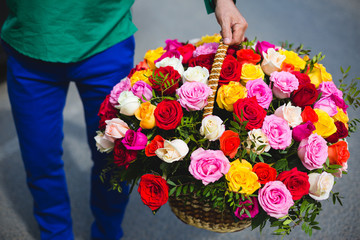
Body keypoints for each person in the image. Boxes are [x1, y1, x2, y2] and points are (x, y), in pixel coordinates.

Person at [0, 0, 247, 239]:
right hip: (30, 43)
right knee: (39, 157)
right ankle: (54, 233)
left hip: (105, 39)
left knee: (114, 157)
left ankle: (107, 232)